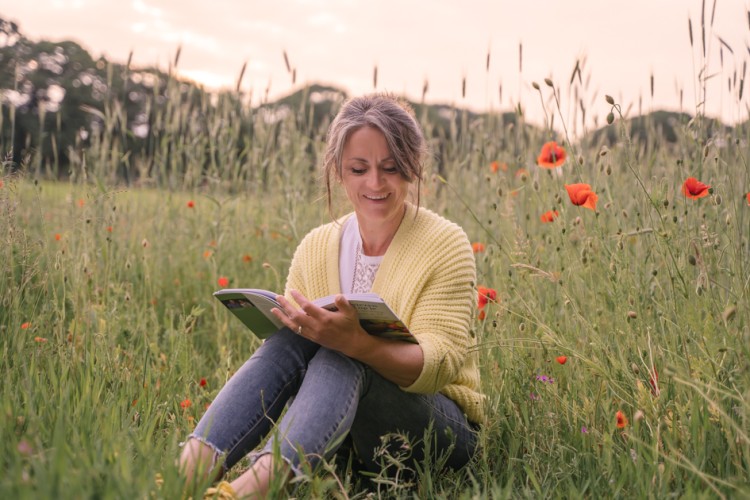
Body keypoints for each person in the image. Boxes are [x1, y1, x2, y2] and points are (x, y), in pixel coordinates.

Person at [179, 93, 485, 498]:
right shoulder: (315, 245)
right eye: (359, 169)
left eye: (390, 168)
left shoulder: (446, 243)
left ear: (412, 169)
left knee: (345, 351)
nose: (375, 183)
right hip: (341, 429)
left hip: (437, 429)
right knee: (294, 337)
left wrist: (359, 344)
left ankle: (254, 488)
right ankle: (188, 471)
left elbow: (441, 364)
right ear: (338, 171)